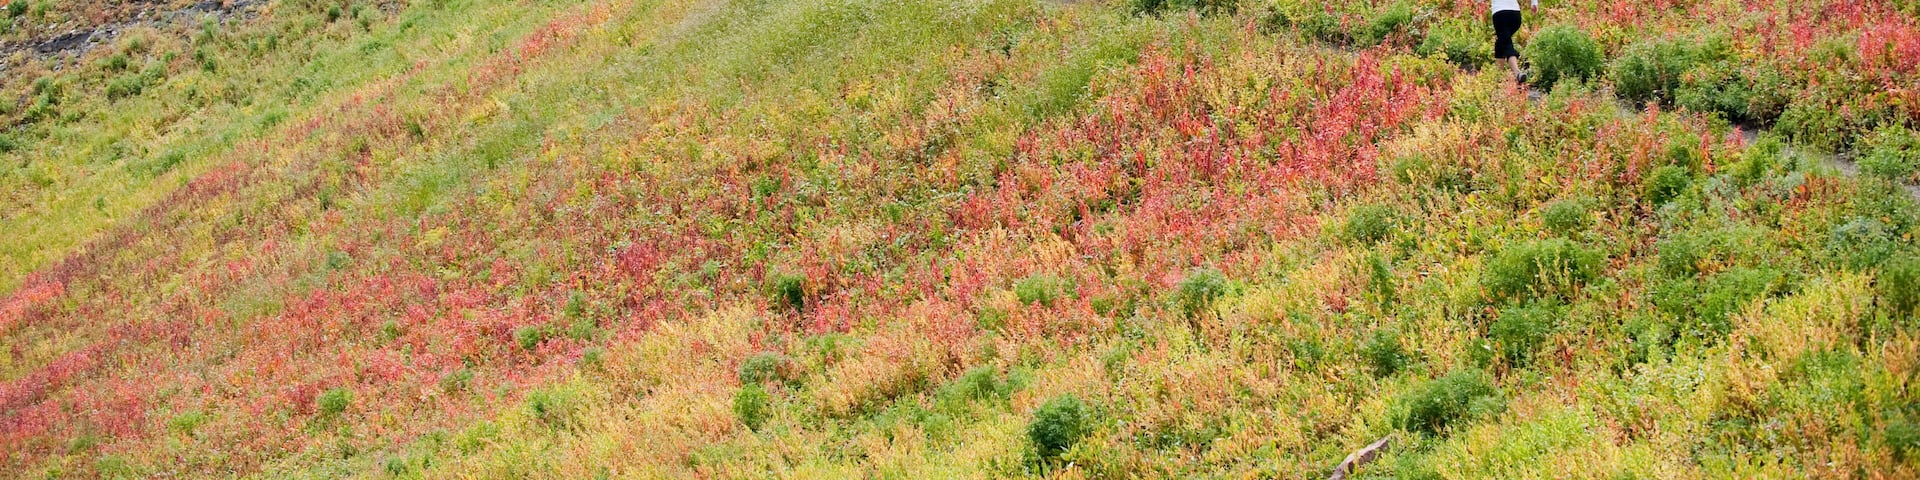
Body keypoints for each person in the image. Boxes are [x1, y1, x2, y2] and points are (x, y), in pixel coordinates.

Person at [1492, 0, 1539, 83]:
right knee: (1501, 42)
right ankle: (1499, 78)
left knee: (1506, 44)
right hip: (1515, 15)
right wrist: (1534, 3)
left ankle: (1517, 73)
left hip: (1500, 14)